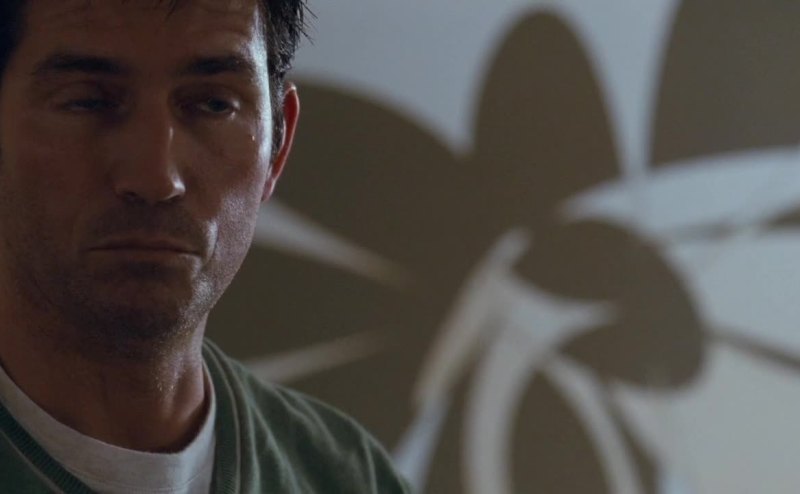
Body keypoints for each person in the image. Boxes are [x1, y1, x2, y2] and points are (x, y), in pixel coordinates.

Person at [0, 0, 411, 492]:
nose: (157, 177)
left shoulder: (347, 478)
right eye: (87, 101)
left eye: (215, 105)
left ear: (279, 146)